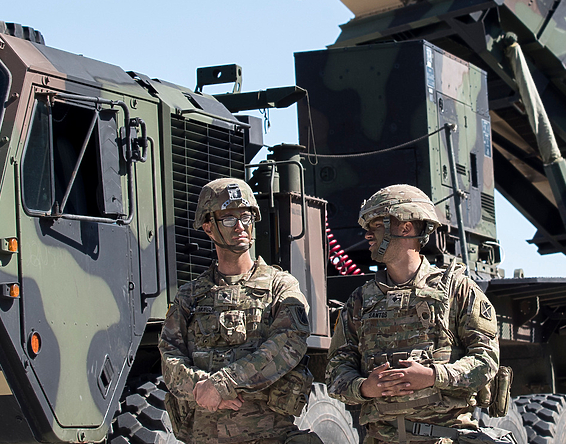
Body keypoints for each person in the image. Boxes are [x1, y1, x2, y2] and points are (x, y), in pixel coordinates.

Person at [326, 184, 502, 444]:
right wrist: (365, 388)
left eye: (374, 226)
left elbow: (486, 360)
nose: (366, 235)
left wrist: (433, 377)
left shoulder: (457, 290)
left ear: (405, 227)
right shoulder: (360, 301)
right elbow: (335, 372)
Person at [159, 177, 320, 444]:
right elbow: (170, 359)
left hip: (268, 436)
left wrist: (222, 385)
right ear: (208, 227)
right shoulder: (189, 296)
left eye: (246, 217)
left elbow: (287, 346)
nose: (241, 227)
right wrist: (203, 388)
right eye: (229, 219)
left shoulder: (280, 286)